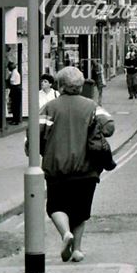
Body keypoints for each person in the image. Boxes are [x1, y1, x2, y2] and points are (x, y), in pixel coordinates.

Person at [39, 66, 114, 262]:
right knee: (80, 211)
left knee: (55, 206)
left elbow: (36, 134)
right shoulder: (92, 106)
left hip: (57, 166)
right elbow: (109, 127)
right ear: (80, 85)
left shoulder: (50, 107)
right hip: (86, 168)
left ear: (60, 85)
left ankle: (65, 234)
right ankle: (77, 250)